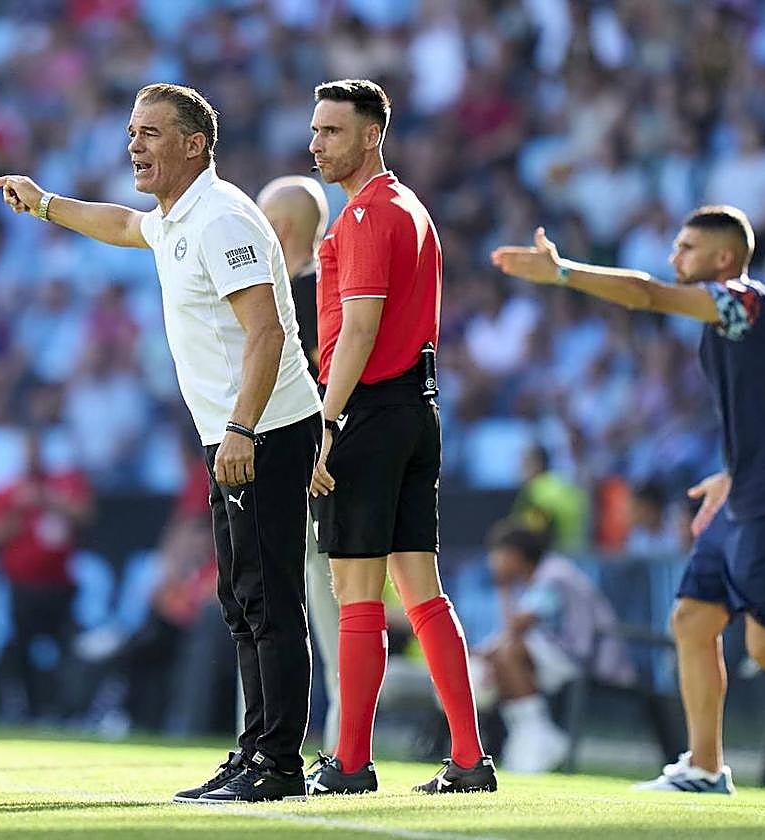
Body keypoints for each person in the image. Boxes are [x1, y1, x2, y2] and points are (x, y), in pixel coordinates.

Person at [492, 205, 765, 807]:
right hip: (747, 496)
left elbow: (647, 296)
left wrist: (565, 272)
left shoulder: (743, 302)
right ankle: (705, 766)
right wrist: (732, 474)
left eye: (687, 247)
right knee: (692, 620)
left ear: (724, 259)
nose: (674, 258)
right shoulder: (726, 326)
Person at [0, 82, 322, 804]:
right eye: (131, 131)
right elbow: (120, 225)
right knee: (241, 598)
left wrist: (241, 428)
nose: (133, 144)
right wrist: (45, 203)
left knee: (268, 598)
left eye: (150, 132)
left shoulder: (222, 219)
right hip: (232, 430)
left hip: (262, 427)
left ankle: (279, 763)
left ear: (194, 144)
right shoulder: (177, 216)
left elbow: (268, 331)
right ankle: (255, 751)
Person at [303, 78, 496, 796]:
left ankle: (350, 762)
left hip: (370, 410)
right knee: (422, 590)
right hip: (419, 405)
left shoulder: (363, 216)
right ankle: (470, 759)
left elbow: (358, 327)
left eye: (331, 131)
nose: (316, 143)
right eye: (316, 130)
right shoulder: (412, 209)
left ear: (370, 135)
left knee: (355, 589)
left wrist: (327, 420)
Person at [257, 174, 341, 754]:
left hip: (315, 474)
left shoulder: (303, 298)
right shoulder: (322, 291)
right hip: (315, 473)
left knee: (330, 628)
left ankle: (344, 751)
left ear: (279, 229)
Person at [475, 522, 635, 774]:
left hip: (586, 658)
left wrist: (502, 587)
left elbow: (518, 627)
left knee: (507, 654)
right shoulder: (540, 575)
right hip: (562, 656)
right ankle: (531, 733)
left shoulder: (554, 575)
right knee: (499, 656)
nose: (493, 560)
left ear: (515, 555)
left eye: (498, 553)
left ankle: (537, 734)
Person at [0, 430, 93, 720]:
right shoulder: (7, 492)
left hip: (60, 587)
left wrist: (50, 501)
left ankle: (67, 709)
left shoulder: (63, 484)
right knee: (18, 650)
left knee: (68, 649)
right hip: (20, 589)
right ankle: (23, 708)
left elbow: (86, 515)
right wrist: (15, 514)